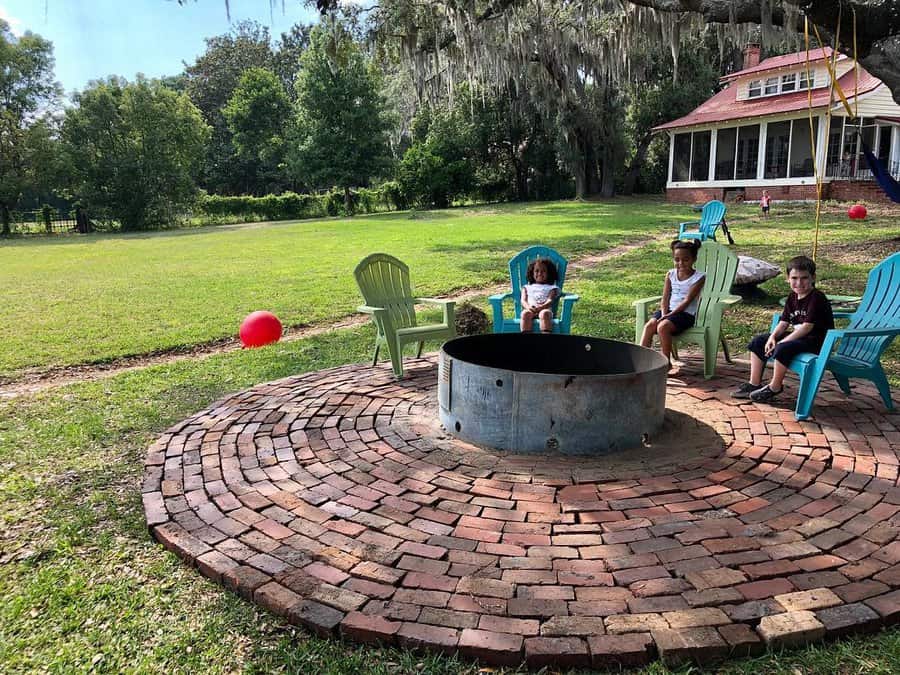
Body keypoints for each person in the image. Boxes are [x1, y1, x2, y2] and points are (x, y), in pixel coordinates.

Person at [732, 255, 834, 402]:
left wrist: (782, 342)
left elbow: (806, 327)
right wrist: (772, 338)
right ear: (788, 278)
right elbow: (784, 322)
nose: (799, 283)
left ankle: (775, 386)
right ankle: (754, 383)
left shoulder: (816, 298)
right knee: (759, 341)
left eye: (804, 278)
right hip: (801, 339)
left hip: (817, 342)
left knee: (783, 348)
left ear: (813, 278)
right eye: (794, 278)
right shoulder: (792, 297)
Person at [640, 239, 706, 374]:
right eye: (677, 259)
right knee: (649, 326)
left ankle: (666, 363)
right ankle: (640, 361)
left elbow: (687, 301)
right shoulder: (670, 274)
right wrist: (664, 313)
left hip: (685, 314)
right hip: (668, 311)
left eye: (685, 260)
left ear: (694, 259)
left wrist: (668, 316)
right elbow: (665, 297)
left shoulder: (699, 277)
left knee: (663, 327)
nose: (680, 263)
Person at [520, 257, 560, 333]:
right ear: (532, 273)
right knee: (525, 313)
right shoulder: (527, 287)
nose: (540, 273)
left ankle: (544, 340)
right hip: (530, 309)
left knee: (544, 313)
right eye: (537, 271)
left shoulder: (552, 288)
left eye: (543, 271)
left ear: (549, 273)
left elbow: (550, 300)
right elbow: (523, 300)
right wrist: (528, 307)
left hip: (545, 309)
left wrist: (541, 307)